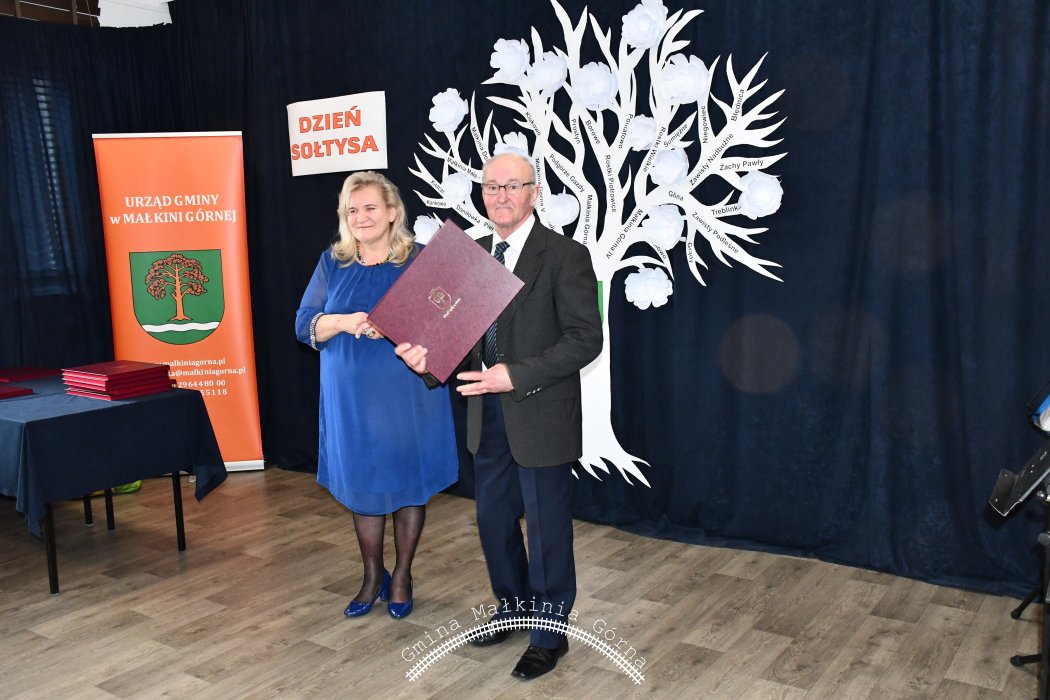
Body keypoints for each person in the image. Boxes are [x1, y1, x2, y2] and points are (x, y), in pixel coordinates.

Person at [396, 153, 602, 680]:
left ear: (535, 193)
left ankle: (550, 635)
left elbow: (585, 339)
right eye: (491, 186)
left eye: (513, 186)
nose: (501, 195)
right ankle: (512, 609)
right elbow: (457, 342)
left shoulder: (565, 255)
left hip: (540, 416)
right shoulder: (471, 259)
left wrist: (516, 374)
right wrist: (426, 362)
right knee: (493, 524)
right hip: (483, 416)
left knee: (547, 531)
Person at [295, 171, 457, 620]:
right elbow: (304, 323)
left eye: (370, 208)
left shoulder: (420, 261)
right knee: (362, 485)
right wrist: (345, 321)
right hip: (350, 400)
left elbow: (446, 329)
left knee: (407, 483)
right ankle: (372, 576)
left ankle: (402, 575)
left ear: (392, 212)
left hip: (407, 397)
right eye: (352, 210)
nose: (361, 217)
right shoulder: (332, 262)